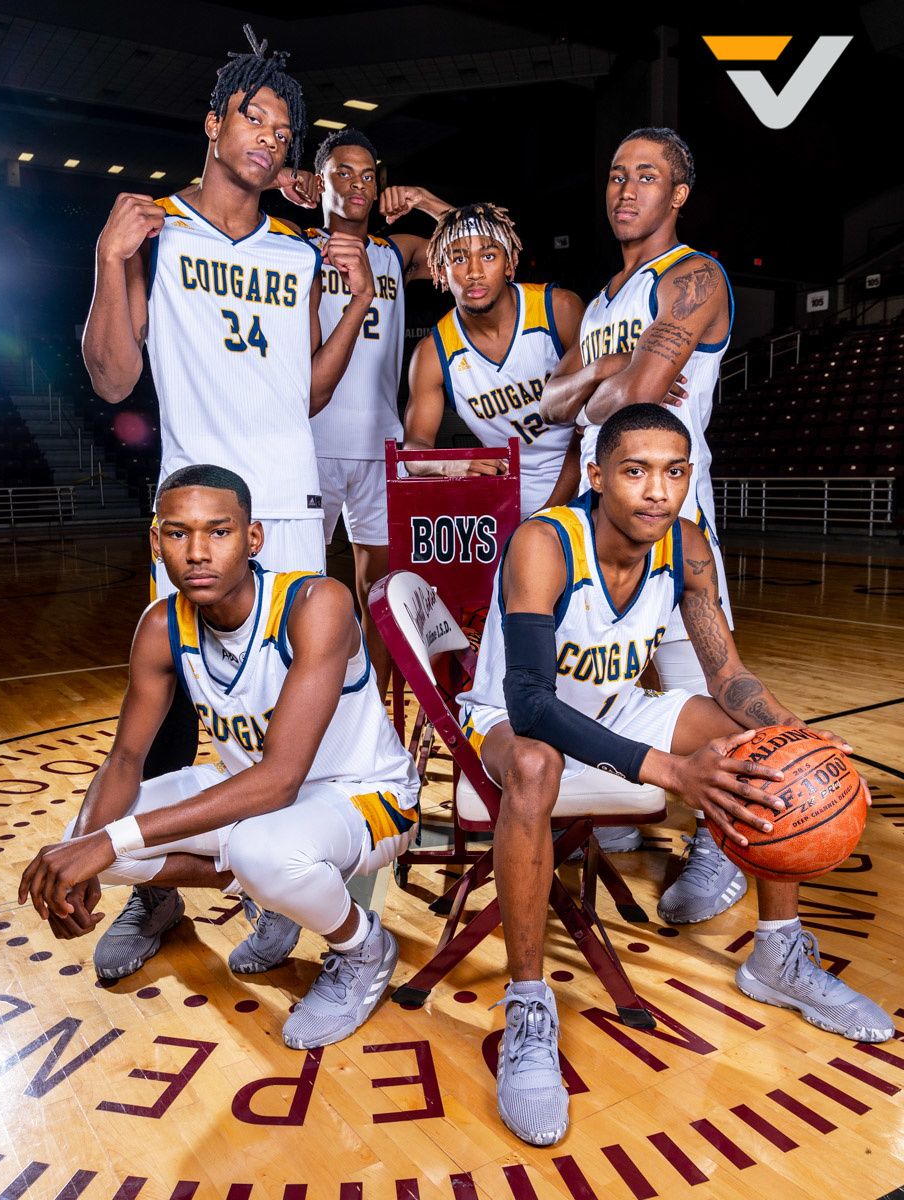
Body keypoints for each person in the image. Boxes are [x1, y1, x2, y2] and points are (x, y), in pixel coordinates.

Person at [457, 404, 892, 1147]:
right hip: (511, 717)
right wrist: (670, 772)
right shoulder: (545, 543)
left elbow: (727, 676)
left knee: (760, 745)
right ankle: (528, 1002)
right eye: (635, 471)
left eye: (674, 472)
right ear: (597, 476)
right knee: (533, 765)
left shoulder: (687, 547)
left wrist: (794, 735)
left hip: (617, 705)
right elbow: (530, 702)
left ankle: (778, 953)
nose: (657, 490)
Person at [19, 465, 419, 1050]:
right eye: (178, 533)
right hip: (250, 793)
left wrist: (108, 842)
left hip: (364, 796)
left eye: (220, 532)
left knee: (253, 851)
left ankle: (363, 948)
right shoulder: (161, 625)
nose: (198, 552)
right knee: (76, 841)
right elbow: (125, 759)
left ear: (253, 539)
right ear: (155, 542)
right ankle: (216, 901)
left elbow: (281, 780)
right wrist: (84, 854)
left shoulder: (315, 603)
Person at [81, 27, 376, 780]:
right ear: (214, 124)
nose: (270, 139)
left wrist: (355, 306)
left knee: (297, 704)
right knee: (175, 698)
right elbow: (112, 380)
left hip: (289, 502)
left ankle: (296, 845)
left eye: (283, 132)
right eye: (255, 118)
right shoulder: (155, 232)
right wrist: (108, 259)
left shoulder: (298, 252)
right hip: (196, 508)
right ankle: (159, 855)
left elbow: (308, 393)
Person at [540, 127, 740, 915]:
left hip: (673, 517)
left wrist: (604, 387)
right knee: (598, 680)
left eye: (647, 177)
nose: (626, 190)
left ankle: (723, 845)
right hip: (596, 529)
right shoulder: (601, 302)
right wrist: (609, 369)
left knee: (705, 692)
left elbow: (633, 402)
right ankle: (613, 814)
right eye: (618, 175)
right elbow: (553, 405)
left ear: (678, 194)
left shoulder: (693, 277)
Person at [305, 127, 451, 692]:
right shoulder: (297, 248)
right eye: (342, 173)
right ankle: (306, 709)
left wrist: (426, 201)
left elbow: (477, 243)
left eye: (368, 175)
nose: (358, 185)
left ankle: (374, 715)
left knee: (380, 594)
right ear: (319, 182)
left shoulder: (396, 251)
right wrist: (280, 180)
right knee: (300, 589)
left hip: (381, 445)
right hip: (311, 443)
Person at [403, 202, 586, 518]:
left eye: (488, 256)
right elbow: (413, 451)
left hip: (586, 478)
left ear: (510, 263)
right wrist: (451, 464)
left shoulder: (558, 310)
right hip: (508, 498)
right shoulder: (433, 352)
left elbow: (592, 422)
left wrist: (548, 516)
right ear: (440, 271)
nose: (474, 273)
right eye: (459, 259)